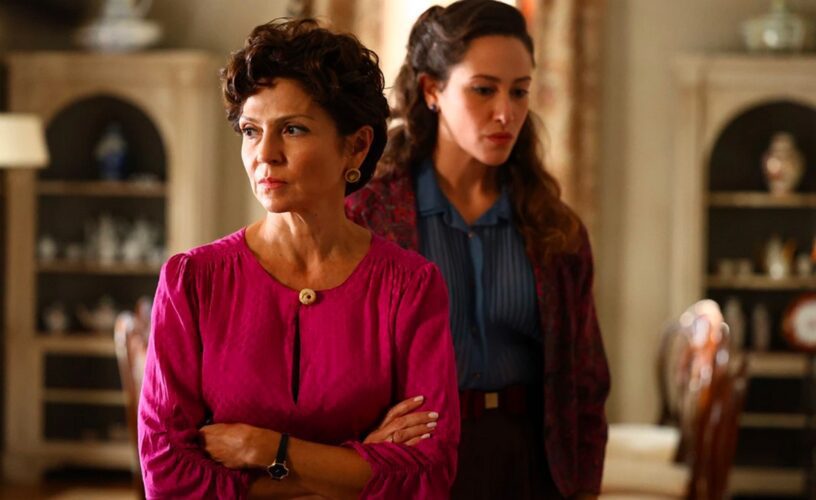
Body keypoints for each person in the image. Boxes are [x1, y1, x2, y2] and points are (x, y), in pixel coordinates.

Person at [138, 19, 460, 499]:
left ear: (356, 146)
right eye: (251, 131)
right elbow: (167, 476)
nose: (265, 154)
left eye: (293, 129)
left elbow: (427, 472)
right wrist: (352, 467)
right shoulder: (192, 281)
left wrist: (264, 448)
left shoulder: (410, 286)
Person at [345, 1, 610, 498]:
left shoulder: (553, 227)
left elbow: (587, 378)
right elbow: (337, 363)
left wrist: (583, 486)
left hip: (528, 462)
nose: (506, 112)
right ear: (432, 90)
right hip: (413, 460)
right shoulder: (368, 216)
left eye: (519, 91)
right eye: (483, 89)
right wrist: (359, 451)